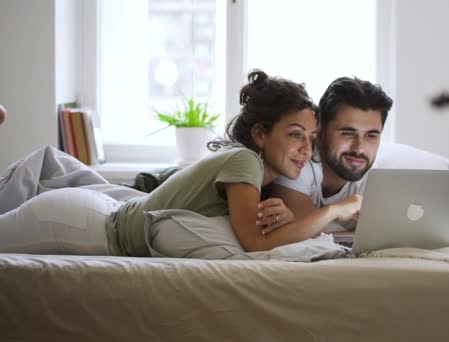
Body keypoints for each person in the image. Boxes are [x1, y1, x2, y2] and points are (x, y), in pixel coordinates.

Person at [0, 70, 361, 256]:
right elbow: (254, 243)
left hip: (98, 215)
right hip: (81, 224)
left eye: (311, 139)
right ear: (261, 134)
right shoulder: (244, 162)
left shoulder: (256, 173)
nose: (305, 148)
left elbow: (261, 233)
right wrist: (336, 211)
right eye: (296, 134)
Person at [268, 76, 392, 233]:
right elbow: (303, 224)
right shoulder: (298, 159)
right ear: (319, 133)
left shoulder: (382, 176)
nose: (359, 148)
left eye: (371, 135)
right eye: (347, 133)